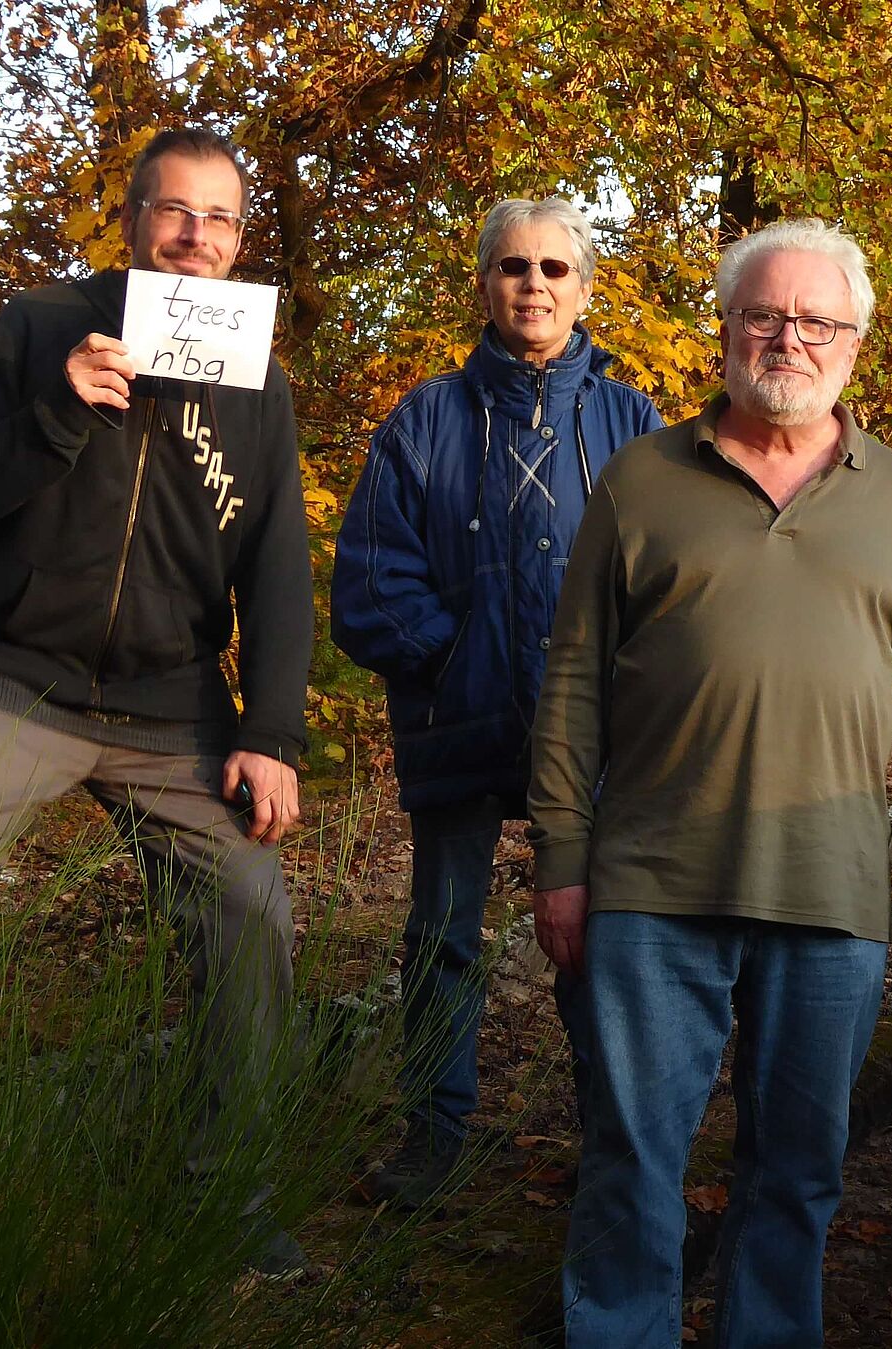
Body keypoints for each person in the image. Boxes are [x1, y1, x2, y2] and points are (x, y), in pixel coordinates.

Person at [527, 218, 892, 1346]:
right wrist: (562, 863)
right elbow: (572, 685)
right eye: (764, 314)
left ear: (855, 344)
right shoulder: (640, 481)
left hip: (831, 898)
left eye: (817, 320)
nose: (789, 338)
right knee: (632, 1161)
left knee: (797, 1175)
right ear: (725, 329)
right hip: (649, 887)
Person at [0, 127, 312, 1277]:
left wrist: (271, 732)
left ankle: (225, 1185)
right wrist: (59, 411)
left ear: (239, 241)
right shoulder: (40, 324)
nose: (195, 235)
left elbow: (279, 570)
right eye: (174, 212)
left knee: (252, 916)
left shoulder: (258, 383)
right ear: (132, 220)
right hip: (16, 674)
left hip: (171, 707)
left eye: (219, 218)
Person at [331, 197, 663, 1206]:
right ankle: (434, 1139)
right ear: (484, 284)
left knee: (596, 934)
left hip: (594, 736)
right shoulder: (425, 416)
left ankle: (615, 1141)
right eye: (514, 267)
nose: (534, 285)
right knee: (443, 936)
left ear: (586, 287)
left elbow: (669, 576)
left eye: (555, 269)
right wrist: (461, 658)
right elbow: (370, 581)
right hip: (461, 716)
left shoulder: (630, 417)